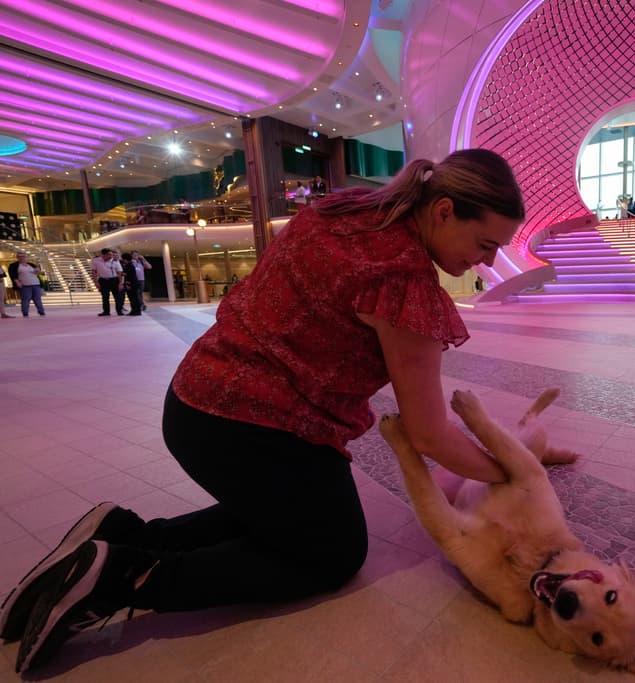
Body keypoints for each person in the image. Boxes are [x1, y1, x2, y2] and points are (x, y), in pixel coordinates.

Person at [2, 148, 526, 673]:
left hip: (196, 401)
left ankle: (119, 535)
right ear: (443, 210)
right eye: (485, 244)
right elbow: (429, 434)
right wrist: (516, 473)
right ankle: (125, 575)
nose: (485, 261)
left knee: (287, 513)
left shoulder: (346, 213)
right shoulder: (404, 279)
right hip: (259, 428)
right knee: (331, 553)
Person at [7, 251, 46, 317]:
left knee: (37, 299)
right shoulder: (14, 266)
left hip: (35, 284)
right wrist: (17, 282)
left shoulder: (31, 265)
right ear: (17, 257)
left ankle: (41, 312)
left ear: (26, 257)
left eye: (23, 256)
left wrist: (39, 272)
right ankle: (25, 313)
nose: (22, 258)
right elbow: (12, 275)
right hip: (25, 285)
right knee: (26, 299)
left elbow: (39, 272)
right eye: (20, 256)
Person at [91, 248, 124, 316]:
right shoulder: (96, 260)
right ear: (103, 255)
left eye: (111, 254)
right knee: (105, 297)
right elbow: (94, 271)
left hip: (114, 280)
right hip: (103, 281)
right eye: (109, 255)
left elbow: (119, 273)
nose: (111, 256)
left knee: (117, 297)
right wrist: (96, 282)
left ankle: (119, 311)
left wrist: (120, 283)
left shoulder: (115, 261)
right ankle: (106, 311)